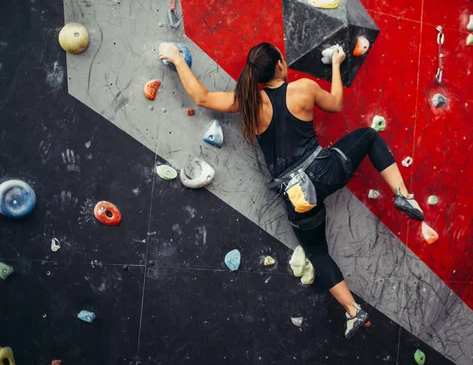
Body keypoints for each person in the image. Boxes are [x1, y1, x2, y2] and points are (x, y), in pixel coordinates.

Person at [158, 42, 424, 340]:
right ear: (281, 65)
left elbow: (202, 97)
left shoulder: (250, 102)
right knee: (370, 137)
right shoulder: (304, 89)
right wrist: (336, 63)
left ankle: (353, 311)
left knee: (316, 251)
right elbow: (336, 103)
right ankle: (402, 194)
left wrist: (177, 58)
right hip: (327, 170)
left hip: (298, 196)